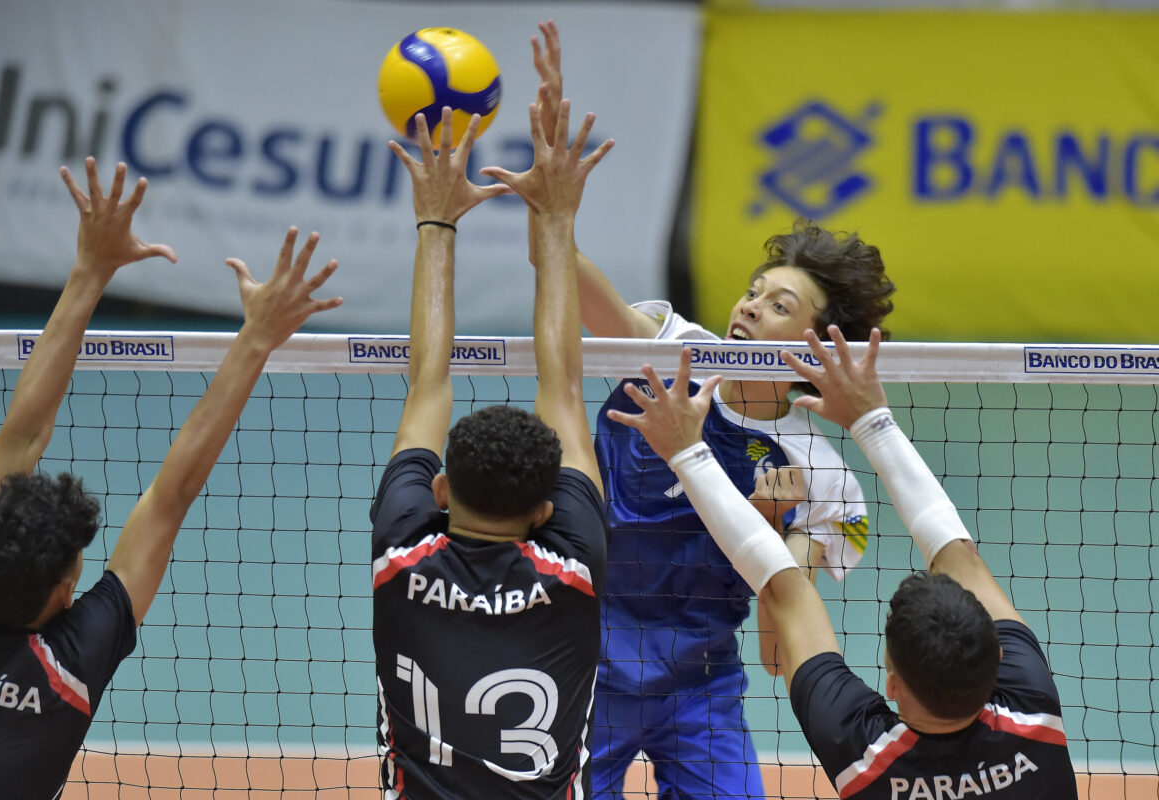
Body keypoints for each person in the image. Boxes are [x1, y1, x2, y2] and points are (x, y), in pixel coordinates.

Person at [529, 20, 896, 798]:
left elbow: (783, 633)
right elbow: (573, 287)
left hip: (701, 686)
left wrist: (782, 536)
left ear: (816, 338)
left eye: (780, 304)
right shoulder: (673, 343)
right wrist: (551, 211)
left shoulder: (819, 470)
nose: (751, 308)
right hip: (585, 662)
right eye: (755, 291)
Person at [0, 158, 343, 799]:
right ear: (64, 586)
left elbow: (22, 437)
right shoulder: (72, 665)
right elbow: (170, 494)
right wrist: (256, 339)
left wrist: (88, 270)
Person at [607, 327, 1079, 799]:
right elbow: (785, 585)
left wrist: (684, 451)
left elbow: (786, 592)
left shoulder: (865, 751)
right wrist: (691, 453)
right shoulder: (1032, 714)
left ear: (892, 685)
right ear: (1000, 658)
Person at [370, 103, 612, 798]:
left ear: (440, 492)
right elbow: (563, 387)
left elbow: (428, 385)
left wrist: (436, 221)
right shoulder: (574, 564)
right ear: (544, 510)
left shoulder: (400, 553)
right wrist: (558, 221)